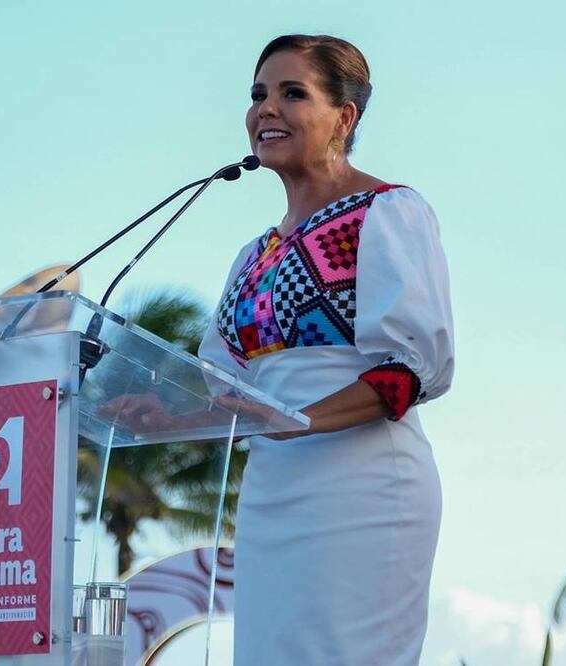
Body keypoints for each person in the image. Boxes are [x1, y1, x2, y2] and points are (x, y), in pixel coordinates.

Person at [194, 34, 455, 664]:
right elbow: (223, 385)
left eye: (292, 93)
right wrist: (163, 415)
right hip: (269, 493)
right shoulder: (254, 255)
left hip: (360, 487)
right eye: (258, 95)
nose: (267, 109)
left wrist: (298, 419)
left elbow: (412, 372)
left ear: (345, 116)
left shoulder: (386, 212)